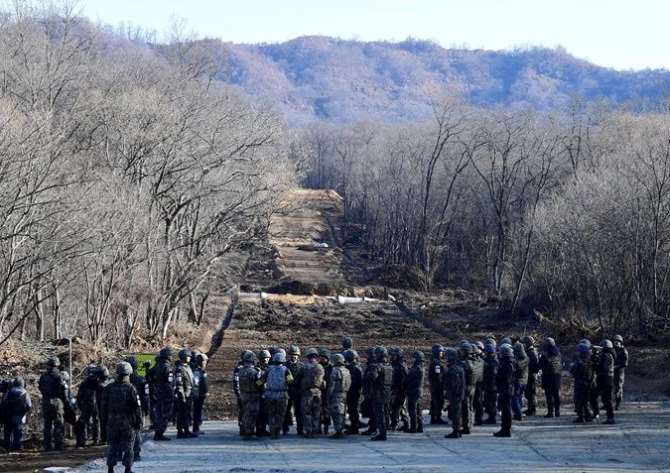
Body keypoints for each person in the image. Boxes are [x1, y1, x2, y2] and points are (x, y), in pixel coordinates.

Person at [100, 362, 142, 473]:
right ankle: (127, 469)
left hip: (112, 422)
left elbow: (103, 408)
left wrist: (103, 422)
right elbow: (137, 408)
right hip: (127, 422)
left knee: (112, 445)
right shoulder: (131, 388)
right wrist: (139, 422)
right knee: (128, 446)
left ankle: (110, 468)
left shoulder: (108, 388)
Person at [260, 351, 294, 439]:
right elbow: (291, 381)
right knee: (280, 414)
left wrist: (258, 387)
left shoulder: (268, 369)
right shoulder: (286, 370)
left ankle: (272, 432)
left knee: (271, 414)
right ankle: (277, 432)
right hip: (282, 395)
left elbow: (260, 381)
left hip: (270, 394)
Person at [38, 356, 66, 451]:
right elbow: (63, 389)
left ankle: (47, 445)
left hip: (46, 401)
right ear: (57, 364)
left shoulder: (43, 376)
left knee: (47, 424)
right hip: (57, 401)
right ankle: (59, 445)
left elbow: (40, 387)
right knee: (58, 423)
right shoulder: (59, 375)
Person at [368, 346, 393, 441]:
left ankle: (382, 434)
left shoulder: (378, 366)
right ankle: (384, 431)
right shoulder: (389, 366)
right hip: (387, 392)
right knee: (385, 413)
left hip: (378, 393)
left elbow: (372, 377)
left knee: (379, 414)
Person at [126, 357, 148, 460]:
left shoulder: (119, 381)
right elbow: (145, 396)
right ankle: (136, 453)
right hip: (138, 409)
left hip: (122, 410)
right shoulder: (141, 380)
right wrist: (146, 408)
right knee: (137, 430)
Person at [300, 348, 325, 438]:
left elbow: (299, 378)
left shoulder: (305, 367)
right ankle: (315, 430)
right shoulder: (320, 367)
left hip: (307, 392)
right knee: (316, 412)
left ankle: (309, 431)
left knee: (307, 413)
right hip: (317, 392)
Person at [2, 377, 32, 451]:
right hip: (19, 415)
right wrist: (25, 411)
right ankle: (16, 447)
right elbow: (29, 405)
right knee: (18, 432)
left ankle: (6, 447)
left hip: (8, 415)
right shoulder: (24, 392)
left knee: (7, 432)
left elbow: (3, 403)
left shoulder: (9, 391)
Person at [75, 365, 101, 447]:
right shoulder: (98, 382)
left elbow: (79, 396)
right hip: (96, 404)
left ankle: (81, 441)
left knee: (82, 422)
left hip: (87, 405)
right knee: (96, 422)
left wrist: (80, 406)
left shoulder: (84, 382)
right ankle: (95, 440)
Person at [153, 347, 175, 441]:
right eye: (170, 355)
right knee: (165, 414)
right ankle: (160, 432)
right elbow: (169, 383)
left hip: (158, 393)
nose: (172, 357)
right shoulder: (167, 367)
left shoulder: (157, 366)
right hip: (166, 394)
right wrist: (172, 394)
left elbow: (150, 376)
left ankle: (158, 431)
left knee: (159, 413)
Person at [327, 353, 351, 438]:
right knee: (342, 412)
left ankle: (338, 431)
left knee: (336, 412)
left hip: (336, 394)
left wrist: (328, 395)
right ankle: (341, 428)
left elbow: (332, 384)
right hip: (344, 393)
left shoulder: (335, 370)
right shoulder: (346, 370)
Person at [238, 351, 261, 440]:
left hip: (244, 394)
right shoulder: (253, 372)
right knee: (251, 414)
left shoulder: (241, 371)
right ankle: (249, 432)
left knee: (245, 414)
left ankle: (245, 431)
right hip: (253, 395)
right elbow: (258, 384)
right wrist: (261, 378)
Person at [444, 348, 465, 439]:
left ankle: (456, 431)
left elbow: (454, 384)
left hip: (455, 395)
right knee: (457, 413)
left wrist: (450, 394)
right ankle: (457, 430)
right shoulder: (456, 367)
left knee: (456, 414)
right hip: (457, 394)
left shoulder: (454, 369)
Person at [175, 349, 196, 438]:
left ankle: (187, 429)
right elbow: (179, 384)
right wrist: (182, 396)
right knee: (181, 413)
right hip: (183, 395)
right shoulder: (180, 369)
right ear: (183, 357)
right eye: (188, 356)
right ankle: (180, 431)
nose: (189, 358)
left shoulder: (188, 367)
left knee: (187, 413)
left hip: (189, 393)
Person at [570, 342, 594, 423]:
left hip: (580, 383)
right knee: (585, 401)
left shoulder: (579, 362)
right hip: (588, 384)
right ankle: (588, 416)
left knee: (578, 401)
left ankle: (581, 417)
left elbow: (573, 371)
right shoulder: (590, 361)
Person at [495, 343, 515, 437]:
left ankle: (506, 430)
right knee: (505, 410)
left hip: (506, 390)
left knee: (506, 410)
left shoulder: (508, 365)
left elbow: (506, 379)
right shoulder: (507, 363)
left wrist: (502, 390)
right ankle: (504, 428)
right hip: (505, 390)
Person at [539, 338, 562, 418]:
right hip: (557, 375)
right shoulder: (558, 353)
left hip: (547, 376)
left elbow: (539, 365)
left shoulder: (545, 355)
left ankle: (550, 412)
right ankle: (557, 411)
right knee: (556, 394)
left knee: (549, 395)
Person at [283, 345, 303, 435]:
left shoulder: (302, 366)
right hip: (287, 390)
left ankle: (300, 429)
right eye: (292, 354)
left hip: (298, 391)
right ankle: (285, 428)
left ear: (298, 355)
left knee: (299, 411)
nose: (294, 356)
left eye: (295, 354)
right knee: (285, 411)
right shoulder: (285, 366)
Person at [389, 348, 409, 432]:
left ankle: (401, 423)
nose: (392, 357)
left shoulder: (401, 366)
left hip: (400, 390)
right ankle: (398, 423)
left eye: (394, 355)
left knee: (398, 407)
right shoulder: (394, 365)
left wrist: (402, 390)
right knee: (395, 407)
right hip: (395, 389)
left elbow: (404, 379)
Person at [343, 349, 363, 434]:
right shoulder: (357, 368)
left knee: (353, 410)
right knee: (353, 410)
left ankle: (354, 427)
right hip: (355, 392)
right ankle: (354, 426)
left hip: (352, 392)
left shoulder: (352, 368)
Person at [405, 350, 425, 434]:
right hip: (419, 390)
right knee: (418, 410)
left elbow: (408, 379)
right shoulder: (421, 367)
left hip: (414, 391)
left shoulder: (416, 368)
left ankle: (413, 427)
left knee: (412, 410)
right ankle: (420, 426)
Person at [597, 339, 616, 424]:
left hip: (605, 379)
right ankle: (610, 417)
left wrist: (596, 364)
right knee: (606, 399)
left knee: (606, 399)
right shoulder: (610, 354)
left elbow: (603, 367)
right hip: (608, 378)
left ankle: (610, 418)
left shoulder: (606, 355)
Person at [459, 341, 475, 435]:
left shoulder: (466, 363)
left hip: (467, 387)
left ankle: (467, 426)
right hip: (471, 387)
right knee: (469, 407)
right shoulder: (472, 360)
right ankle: (468, 425)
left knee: (466, 408)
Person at [361, 347, 377, 435]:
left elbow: (372, 378)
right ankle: (372, 426)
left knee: (372, 411)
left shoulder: (373, 365)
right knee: (370, 410)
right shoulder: (371, 364)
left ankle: (373, 428)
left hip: (372, 391)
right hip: (370, 391)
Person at [192, 352, 209, 436]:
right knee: (197, 411)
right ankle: (195, 428)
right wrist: (197, 394)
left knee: (198, 411)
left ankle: (197, 427)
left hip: (201, 394)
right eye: (204, 361)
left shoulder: (201, 371)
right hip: (198, 395)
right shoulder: (197, 371)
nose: (205, 362)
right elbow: (196, 383)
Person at [522, 336, 539, 416]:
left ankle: (532, 409)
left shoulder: (531, 353)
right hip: (529, 374)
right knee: (529, 393)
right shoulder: (529, 352)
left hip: (531, 375)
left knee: (531, 393)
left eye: (524, 343)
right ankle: (530, 408)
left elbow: (534, 365)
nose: (523, 345)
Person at [255, 349, 271, 437]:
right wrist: (262, 381)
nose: (266, 360)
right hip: (258, 393)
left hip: (267, 393)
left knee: (265, 413)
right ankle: (258, 429)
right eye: (264, 358)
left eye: (267, 358)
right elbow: (256, 383)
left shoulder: (270, 368)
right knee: (258, 413)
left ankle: (263, 429)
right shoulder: (257, 369)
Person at [428, 344, 445, 425]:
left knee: (434, 401)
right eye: (441, 352)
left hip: (434, 385)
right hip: (437, 386)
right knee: (438, 401)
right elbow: (438, 375)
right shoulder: (437, 363)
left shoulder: (434, 361)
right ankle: (436, 418)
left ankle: (434, 417)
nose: (442, 354)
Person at [482, 343, 499, 424]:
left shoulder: (489, 362)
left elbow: (489, 374)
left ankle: (492, 418)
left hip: (490, 385)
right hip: (494, 384)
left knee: (491, 402)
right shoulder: (495, 361)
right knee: (492, 402)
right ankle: (491, 417)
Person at [318, 347, 333, 435]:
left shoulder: (331, 368)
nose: (322, 359)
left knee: (327, 411)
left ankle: (326, 427)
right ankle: (318, 428)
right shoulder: (318, 366)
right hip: (319, 392)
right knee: (318, 411)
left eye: (324, 357)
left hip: (328, 392)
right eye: (321, 357)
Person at [512, 342, 529, 421]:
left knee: (515, 397)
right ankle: (518, 413)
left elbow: (518, 367)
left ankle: (518, 414)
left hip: (519, 380)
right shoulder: (526, 357)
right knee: (519, 397)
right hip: (524, 381)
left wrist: (513, 360)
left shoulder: (521, 359)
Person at [612, 335, 628, 410]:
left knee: (618, 388)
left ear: (620, 342)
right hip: (612, 371)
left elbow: (625, 364)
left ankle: (617, 404)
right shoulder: (613, 350)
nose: (616, 343)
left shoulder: (623, 351)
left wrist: (616, 367)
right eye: (614, 341)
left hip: (619, 372)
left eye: (617, 341)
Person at [472, 341, 485, 425]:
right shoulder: (481, 360)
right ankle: (477, 418)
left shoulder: (480, 361)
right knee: (477, 402)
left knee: (478, 402)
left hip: (478, 384)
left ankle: (478, 419)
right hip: (477, 383)